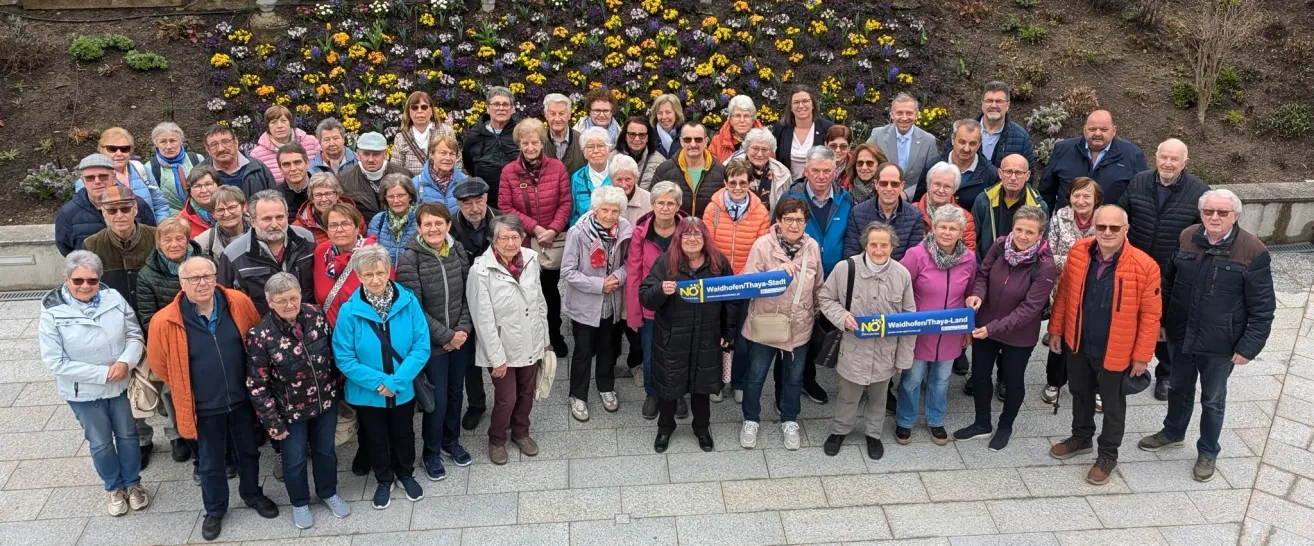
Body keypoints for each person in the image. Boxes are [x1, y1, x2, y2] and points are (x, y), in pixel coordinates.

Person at [1138, 189, 1273, 482]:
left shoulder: (1253, 251)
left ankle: (1208, 451)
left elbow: (1263, 308)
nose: (1214, 217)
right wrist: (1161, 321)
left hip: (1220, 343)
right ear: (1201, 213)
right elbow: (1167, 284)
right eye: (1209, 211)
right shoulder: (1187, 237)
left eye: (1222, 213)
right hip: (1181, 333)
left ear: (1235, 216)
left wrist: (1249, 347)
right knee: (1177, 388)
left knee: (1213, 399)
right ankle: (1173, 432)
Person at [147, 257, 278, 541]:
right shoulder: (165, 320)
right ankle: (216, 509)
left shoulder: (237, 302)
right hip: (203, 406)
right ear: (182, 284)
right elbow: (159, 364)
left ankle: (252, 494)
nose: (202, 283)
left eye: (207, 276)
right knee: (210, 462)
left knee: (249, 452)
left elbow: (255, 339)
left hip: (243, 400)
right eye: (194, 278)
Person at [1047, 205, 1161, 486]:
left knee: (1112, 404)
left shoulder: (1145, 265)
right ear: (1094, 228)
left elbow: (1151, 316)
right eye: (1102, 227)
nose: (1107, 232)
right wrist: (1056, 330)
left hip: (1118, 349)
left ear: (1126, 230)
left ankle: (1108, 454)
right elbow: (1063, 295)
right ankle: (1082, 437)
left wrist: (1142, 356)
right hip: (1079, 341)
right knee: (1080, 392)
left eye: (1114, 228)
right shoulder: (1079, 252)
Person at [40, 251, 149, 517]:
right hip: (84, 393)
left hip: (120, 384)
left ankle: (133, 484)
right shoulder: (52, 311)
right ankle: (114, 487)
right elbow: (55, 362)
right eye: (78, 281)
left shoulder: (113, 298)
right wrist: (102, 374)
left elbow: (135, 334)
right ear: (66, 279)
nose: (85, 286)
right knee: (100, 442)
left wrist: (126, 361)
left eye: (92, 280)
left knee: (128, 435)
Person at [245, 273, 350, 529]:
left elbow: (333, 354)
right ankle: (299, 502)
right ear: (270, 302)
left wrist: (340, 389)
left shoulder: (315, 314)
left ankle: (328, 492)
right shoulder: (260, 335)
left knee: (326, 452)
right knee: (294, 460)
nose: (289, 305)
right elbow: (257, 384)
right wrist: (272, 422)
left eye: (293, 298)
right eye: (281, 300)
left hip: (325, 402)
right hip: (288, 412)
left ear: (301, 295)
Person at [332, 245, 430, 509]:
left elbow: (421, 347)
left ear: (389, 272)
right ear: (358, 276)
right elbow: (344, 357)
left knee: (404, 433)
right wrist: (379, 382)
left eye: (380, 272)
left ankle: (405, 473)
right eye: (368, 274)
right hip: (368, 393)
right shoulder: (349, 310)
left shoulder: (408, 301)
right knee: (375, 436)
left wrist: (396, 382)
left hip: (402, 388)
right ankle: (383, 478)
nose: (375, 279)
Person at [954, 205, 1057, 451]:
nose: (1022, 236)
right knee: (979, 375)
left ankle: (1005, 426)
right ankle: (982, 423)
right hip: (986, 325)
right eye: (1019, 229)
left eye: (1029, 232)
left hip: (1018, 334)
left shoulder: (1045, 265)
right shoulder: (1000, 245)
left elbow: (1030, 309)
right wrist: (977, 295)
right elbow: (982, 275)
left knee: (1013, 380)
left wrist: (993, 328)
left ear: (1040, 235)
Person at [1118, 138, 1210, 400]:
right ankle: (1126, 365)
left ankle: (1165, 374)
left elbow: (1203, 234)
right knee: (1130, 318)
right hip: (1136, 265)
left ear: (1185, 162)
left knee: (1166, 324)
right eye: (1163, 157)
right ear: (1155, 158)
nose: (1168, 163)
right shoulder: (1139, 181)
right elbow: (1123, 215)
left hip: (1173, 271)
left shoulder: (1199, 191)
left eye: (1174, 159)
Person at [819, 222, 916, 460]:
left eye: (884, 245)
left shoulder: (902, 275)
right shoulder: (845, 268)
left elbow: (909, 319)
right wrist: (843, 317)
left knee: (878, 397)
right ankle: (839, 430)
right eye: (874, 244)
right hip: (852, 350)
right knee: (847, 396)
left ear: (892, 246)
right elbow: (825, 298)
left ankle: (873, 435)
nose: (879, 250)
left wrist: (904, 358)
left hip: (885, 353)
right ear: (866, 245)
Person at [641, 217, 737, 452]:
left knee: (702, 389)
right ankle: (665, 428)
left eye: (698, 234)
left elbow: (730, 299)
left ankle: (702, 429)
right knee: (668, 388)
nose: (692, 239)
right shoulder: (666, 262)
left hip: (708, 337)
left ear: (705, 238)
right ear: (678, 238)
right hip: (673, 339)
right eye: (687, 234)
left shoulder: (718, 262)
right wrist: (660, 290)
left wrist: (728, 331)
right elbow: (645, 297)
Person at [397, 202, 475, 481]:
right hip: (432, 345)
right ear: (418, 227)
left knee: (456, 393)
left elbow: (469, 294)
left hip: (460, 337)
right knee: (437, 400)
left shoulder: (457, 251)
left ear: (448, 225)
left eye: (438, 223)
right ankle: (430, 451)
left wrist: (462, 330)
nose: (433, 229)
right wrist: (447, 337)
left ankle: (450, 441)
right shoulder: (410, 258)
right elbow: (413, 308)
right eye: (427, 224)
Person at [738, 197, 823, 450]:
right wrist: (773, 276)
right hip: (766, 322)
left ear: (806, 222)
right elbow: (748, 282)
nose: (794, 225)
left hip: (799, 323)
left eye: (799, 220)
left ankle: (789, 419)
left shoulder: (813, 247)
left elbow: (818, 285)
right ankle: (751, 419)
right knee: (755, 376)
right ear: (778, 221)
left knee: (794, 378)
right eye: (788, 219)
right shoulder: (763, 245)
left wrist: (817, 314)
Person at [467, 215, 550, 465]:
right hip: (502, 346)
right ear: (493, 241)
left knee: (527, 392)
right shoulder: (480, 270)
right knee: (507, 398)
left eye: (515, 237)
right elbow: (482, 319)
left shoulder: (532, 259)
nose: (511, 243)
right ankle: (497, 439)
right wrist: (496, 358)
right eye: (505, 238)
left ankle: (521, 432)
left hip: (531, 339)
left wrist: (544, 338)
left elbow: (539, 302)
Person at [895, 207, 976, 446]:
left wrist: (968, 328)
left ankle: (935, 419)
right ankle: (905, 420)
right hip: (919, 330)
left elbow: (972, 291)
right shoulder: (916, 254)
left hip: (951, 331)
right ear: (933, 227)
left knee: (941, 379)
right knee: (912, 379)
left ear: (961, 232)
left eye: (953, 228)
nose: (947, 232)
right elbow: (899, 287)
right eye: (943, 227)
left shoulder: (969, 258)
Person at [498, 117, 572, 358]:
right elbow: (505, 206)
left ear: (542, 143)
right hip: (524, 240)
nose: (530, 148)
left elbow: (565, 202)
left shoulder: (557, 168)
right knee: (526, 290)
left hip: (553, 239)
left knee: (550, 290)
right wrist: (535, 228)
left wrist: (553, 229)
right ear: (519, 144)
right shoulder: (509, 172)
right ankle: (530, 336)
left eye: (534, 143)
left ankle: (555, 334)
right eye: (525, 143)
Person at [563, 187, 632, 422]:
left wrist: (619, 278)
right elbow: (568, 272)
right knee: (583, 351)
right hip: (585, 304)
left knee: (608, 348)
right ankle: (578, 395)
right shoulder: (578, 232)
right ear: (595, 209)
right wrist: (598, 284)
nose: (610, 215)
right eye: (605, 209)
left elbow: (630, 263)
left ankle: (606, 387)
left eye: (615, 211)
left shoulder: (625, 230)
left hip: (612, 302)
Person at [135, 217, 201, 464]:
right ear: (159, 243)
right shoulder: (147, 274)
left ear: (188, 240)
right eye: (168, 239)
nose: (174, 244)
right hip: (171, 344)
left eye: (179, 238)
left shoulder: (202, 264)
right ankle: (178, 435)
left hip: (201, 338)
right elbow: (148, 318)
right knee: (172, 394)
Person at [626, 182, 689, 418]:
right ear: (652, 205)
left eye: (670, 203)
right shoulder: (641, 232)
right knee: (651, 354)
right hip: (651, 305)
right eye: (660, 202)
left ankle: (677, 393)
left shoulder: (690, 230)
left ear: (678, 205)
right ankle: (652, 393)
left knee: (679, 353)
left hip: (682, 305)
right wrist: (634, 312)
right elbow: (633, 274)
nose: (665, 207)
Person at [447, 178, 505, 431]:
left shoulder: (502, 221)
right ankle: (477, 404)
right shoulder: (449, 226)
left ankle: (505, 401)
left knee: (502, 351)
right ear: (458, 203)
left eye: (478, 201)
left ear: (486, 198)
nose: (474, 208)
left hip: (500, 299)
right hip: (465, 300)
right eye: (466, 203)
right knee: (470, 359)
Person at [1041, 177, 1102, 406]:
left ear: (1096, 199)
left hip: (1098, 293)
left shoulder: (1107, 219)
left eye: (1087, 195)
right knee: (1061, 337)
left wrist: (1073, 261)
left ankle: (1097, 387)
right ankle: (1054, 382)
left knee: (1097, 341)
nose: (1081, 200)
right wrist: (1084, 262)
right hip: (1065, 290)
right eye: (1076, 195)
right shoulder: (1059, 218)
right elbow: (1049, 258)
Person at [216, 190, 317, 315]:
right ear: (253, 221)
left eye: (279, 217)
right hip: (261, 328)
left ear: (286, 215)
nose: (274, 224)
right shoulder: (233, 254)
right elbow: (225, 299)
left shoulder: (306, 239)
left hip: (308, 324)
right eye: (267, 219)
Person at [1039, 110, 1148, 211]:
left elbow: (1142, 198)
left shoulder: (1133, 155)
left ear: (1114, 130)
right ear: (1084, 129)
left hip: (1109, 228)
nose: (1097, 133)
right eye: (1092, 129)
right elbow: (1046, 192)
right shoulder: (1063, 149)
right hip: (1066, 226)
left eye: (1104, 129)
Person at [57, 154, 156, 256]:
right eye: (90, 178)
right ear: (82, 180)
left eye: (103, 176)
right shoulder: (68, 213)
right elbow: (66, 249)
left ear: (113, 177)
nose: (97, 182)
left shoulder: (137, 204)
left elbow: (151, 238)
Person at [83, 186, 156, 314]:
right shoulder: (91, 245)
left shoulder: (156, 237)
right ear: (104, 213)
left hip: (152, 314)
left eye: (125, 209)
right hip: (112, 315)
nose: (119, 215)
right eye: (112, 210)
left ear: (135, 209)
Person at [312, 203, 382, 324]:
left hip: (364, 330)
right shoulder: (321, 253)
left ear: (357, 228)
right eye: (333, 225)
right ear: (327, 231)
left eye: (345, 224)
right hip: (330, 333)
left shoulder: (374, 253)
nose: (339, 230)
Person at [947, 81, 1036, 174]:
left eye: (999, 101)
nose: (993, 105)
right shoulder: (961, 130)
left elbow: (1027, 176)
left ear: (1008, 105)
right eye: (989, 101)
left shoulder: (1021, 138)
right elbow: (946, 162)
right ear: (982, 104)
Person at [85, 127, 171, 222]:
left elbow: (160, 204)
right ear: (101, 150)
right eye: (112, 149)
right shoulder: (91, 179)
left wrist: (160, 228)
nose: (119, 153)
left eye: (124, 149)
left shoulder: (141, 170)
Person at [971, 154, 1048, 260]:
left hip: (1022, 269)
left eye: (1019, 173)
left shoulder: (1038, 207)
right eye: (1008, 172)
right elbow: (972, 238)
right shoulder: (984, 200)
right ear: (1000, 173)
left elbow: (1041, 245)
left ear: (1027, 175)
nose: (1013, 178)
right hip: (986, 266)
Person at [844, 162, 924, 263]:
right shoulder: (857, 213)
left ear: (902, 185)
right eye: (884, 183)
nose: (889, 188)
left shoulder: (915, 216)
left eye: (894, 184)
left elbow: (913, 257)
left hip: (898, 276)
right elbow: (851, 253)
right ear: (876, 184)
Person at [703, 158, 771, 274]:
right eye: (733, 183)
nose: (738, 188)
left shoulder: (761, 212)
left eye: (743, 183)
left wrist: (742, 276)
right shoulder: (712, 209)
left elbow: (760, 251)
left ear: (749, 183)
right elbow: (707, 246)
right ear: (725, 183)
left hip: (747, 276)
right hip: (716, 274)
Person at [867, 93, 939, 200]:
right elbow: (865, 164)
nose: (904, 118)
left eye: (909, 113)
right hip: (880, 196)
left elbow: (932, 177)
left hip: (914, 201)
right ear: (892, 114)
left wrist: (906, 194)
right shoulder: (878, 135)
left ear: (916, 115)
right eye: (899, 113)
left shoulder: (928, 141)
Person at [920, 119, 1000, 211]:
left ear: (979, 144)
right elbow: (919, 201)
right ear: (953, 140)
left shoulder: (990, 174)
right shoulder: (932, 166)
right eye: (962, 142)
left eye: (972, 144)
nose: (966, 148)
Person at [654, 121, 727, 217]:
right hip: (674, 230)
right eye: (687, 140)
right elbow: (654, 203)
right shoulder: (664, 170)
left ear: (706, 141)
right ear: (681, 142)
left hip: (708, 230)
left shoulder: (722, 173)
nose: (693, 144)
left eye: (698, 140)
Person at [339, 132, 413, 223]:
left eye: (376, 154)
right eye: (366, 154)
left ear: (385, 154)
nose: (370, 159)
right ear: (358, 154)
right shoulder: (344, 180)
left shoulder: (404, 175)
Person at [462, 86, 520, 199]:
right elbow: (468, 163)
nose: (501, 108)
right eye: (496, 104)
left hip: (516, 198)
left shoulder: (520, 133)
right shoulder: (475, 135)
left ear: (512, 108)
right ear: (488, 108)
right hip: (485, 199)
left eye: (505, 104)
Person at [771, 85, 835, 179]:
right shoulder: (781, 129)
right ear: (791, 108)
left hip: (818, 186)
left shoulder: (827, 128)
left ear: (813, 105)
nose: (801, 106)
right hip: (787, 188)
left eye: (805, 101)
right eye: (796, 102)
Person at [914, 162, 978, 253]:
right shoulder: (911, 211)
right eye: (937, 184)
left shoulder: (964, 217)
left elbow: (968, 253)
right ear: (928, 185)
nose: (941, 190)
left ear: (954, 190)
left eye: (947, 186)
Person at [200, 125, 277, 197]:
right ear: (207, 149)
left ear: (236, 143)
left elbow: (275, 199)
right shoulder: (200, 174)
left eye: (225, 142)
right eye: (214, 145)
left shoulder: (258, 168)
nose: (221, 149)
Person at [250, 106, 321, 183]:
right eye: (273, 122)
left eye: (283, 121)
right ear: (268, 127)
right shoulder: (257, 154)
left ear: (290, 123)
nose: (279, 126)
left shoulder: (311, 142)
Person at [728, 128, 794, 211]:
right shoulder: (730, 168)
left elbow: (788, 206)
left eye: (765, 150)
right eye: (755, 148)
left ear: (771, 151)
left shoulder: (782, 173)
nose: (759, 154)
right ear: (747, 149)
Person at [393, 90, 457, 175]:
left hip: (442, 185)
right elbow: (396, 169)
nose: (419, 111)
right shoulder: (400, 137)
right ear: (409, 111)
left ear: (431, 110)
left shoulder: (447, 131)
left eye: (424, 107)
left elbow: (457, 161)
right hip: (412, 186)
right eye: (414, 107)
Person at [148, 121, 205, 215]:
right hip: (172, 222)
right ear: (156, 144)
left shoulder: (197, 159)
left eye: (173, 141)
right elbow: (154, 203)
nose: (169, 146)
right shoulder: (150, 168)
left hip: (202, 217)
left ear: (181, 141)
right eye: (163, 142)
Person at [295, 173, 364, 247]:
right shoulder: (299, 227)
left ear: (337, 195)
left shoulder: (354, 215)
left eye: (329, 194)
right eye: (318, 195)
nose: (324, 199)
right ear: (312, 198)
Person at [367, 174, 420, 265]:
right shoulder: (378, 220)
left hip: (413, 276)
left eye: (401, 195)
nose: (396, 201)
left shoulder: (421, 218)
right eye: (391, 197)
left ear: (410, 196)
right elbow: (371, 255)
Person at [569, 127, 615, 226]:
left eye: (600, 146)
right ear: (584, 153)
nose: (596, 151)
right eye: (590, 147)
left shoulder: (618, 174)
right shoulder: (577, 178)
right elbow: (573, 214)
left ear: (609, 150)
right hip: (584, 233)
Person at [414, 135, 469, 211]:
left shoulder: (465, 182)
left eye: (452, 154)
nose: (448, 158)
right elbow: (412, 218)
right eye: (443, 153)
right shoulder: (417, 184)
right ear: (432, 155)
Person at [195, 186, 248, 261]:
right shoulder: (202, 243)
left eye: (232, 207)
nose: (227, 214)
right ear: (213, 213)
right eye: (220, 210)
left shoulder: (262, 232)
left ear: (244, 207)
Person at [710, 95, 765, 162]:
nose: (742, 120)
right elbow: (711, 168)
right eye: (737, 116)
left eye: (746, 116)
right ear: (730, 119)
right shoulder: (717, 141)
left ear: (753, 119)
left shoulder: (765, 140)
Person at [613, 115, 663, 190]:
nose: (637, 139)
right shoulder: (612, 158)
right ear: (625, 136)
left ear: (648, 138)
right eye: (632, 134)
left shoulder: (659, 161)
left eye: (642, 135)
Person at [543, 93, 587, 175]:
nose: (557, 118)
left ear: (569, 115)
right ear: (546, 115)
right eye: (552, 114)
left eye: (561, 113)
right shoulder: (538, 141)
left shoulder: (582, 141)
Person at [178, 166, 222, 237]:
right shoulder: (182, 223)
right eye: (197, 186)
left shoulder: (236, 207)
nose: (204, 190)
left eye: (208, 184)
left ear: (219, 186)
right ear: (190, 192)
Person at [275, 143, 314, 215]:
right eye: (286, 164)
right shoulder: (274, 197)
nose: (293, 169)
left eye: (297, 162)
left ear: (307, 163)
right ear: (280, 169)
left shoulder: (324, 190)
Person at [650, 93, 685, 159]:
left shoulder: (686, 135)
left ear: (676, 113)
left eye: (668, 112)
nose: (664, 117)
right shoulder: (649, 136)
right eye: (660, 113)